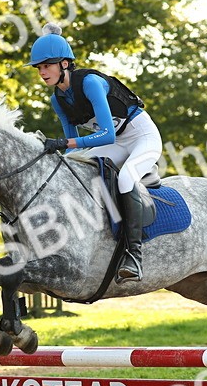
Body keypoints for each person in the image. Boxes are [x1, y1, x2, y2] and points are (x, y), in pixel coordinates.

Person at [29, 23, 162, 283]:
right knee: (71, 166)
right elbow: (75, 142)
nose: (42, 72)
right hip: (117, 142)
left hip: (141, 136)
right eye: (39, 67)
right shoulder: (57, 99)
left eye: (47, 65)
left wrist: (64, 143)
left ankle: (134, 255)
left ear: (65, 64)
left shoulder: (90, 82)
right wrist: (56, 149)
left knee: (125, 179)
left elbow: (106, 135)